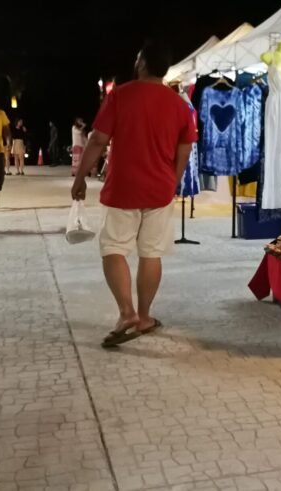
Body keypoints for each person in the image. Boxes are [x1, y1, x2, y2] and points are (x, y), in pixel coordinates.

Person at [71, 40, 195, 348]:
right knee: (151, 253)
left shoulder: (121, 96)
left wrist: (81, 176)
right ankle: (144, 316)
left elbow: (98, 140)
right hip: (160, 189)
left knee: (114, 247)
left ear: (141, 63)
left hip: (123, 187)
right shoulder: (179, 104)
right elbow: (184, 149)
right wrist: (173, 182)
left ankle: (126, 313)